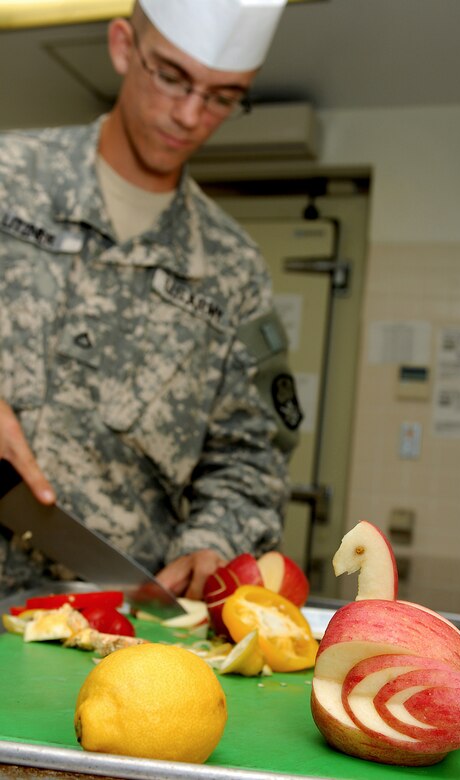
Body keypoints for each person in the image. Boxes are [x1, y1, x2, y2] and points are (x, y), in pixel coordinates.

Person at [0, 0, 302, 601]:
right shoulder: (10, 179)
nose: (190, 115)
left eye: (221, 96)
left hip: (114, 627)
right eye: (171, 76)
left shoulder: (231, 268)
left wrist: (212, 540)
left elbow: (248, 457)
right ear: (122, 47)